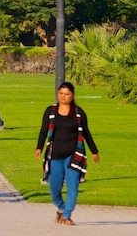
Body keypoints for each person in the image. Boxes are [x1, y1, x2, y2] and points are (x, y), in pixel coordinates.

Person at [35, 82, 100, 226]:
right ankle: (61, 208)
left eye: (67, 94)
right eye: (61, 93)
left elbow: (86, 133)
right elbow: (44, 130)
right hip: (55, 156)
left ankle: (67, 215)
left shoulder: (78, 113)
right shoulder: (50, 111)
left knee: (72, 186)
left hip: (74, 155)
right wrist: (39, 147)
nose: (63, 97)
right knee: (54, 188)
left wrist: (94, 151)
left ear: (73, 96)